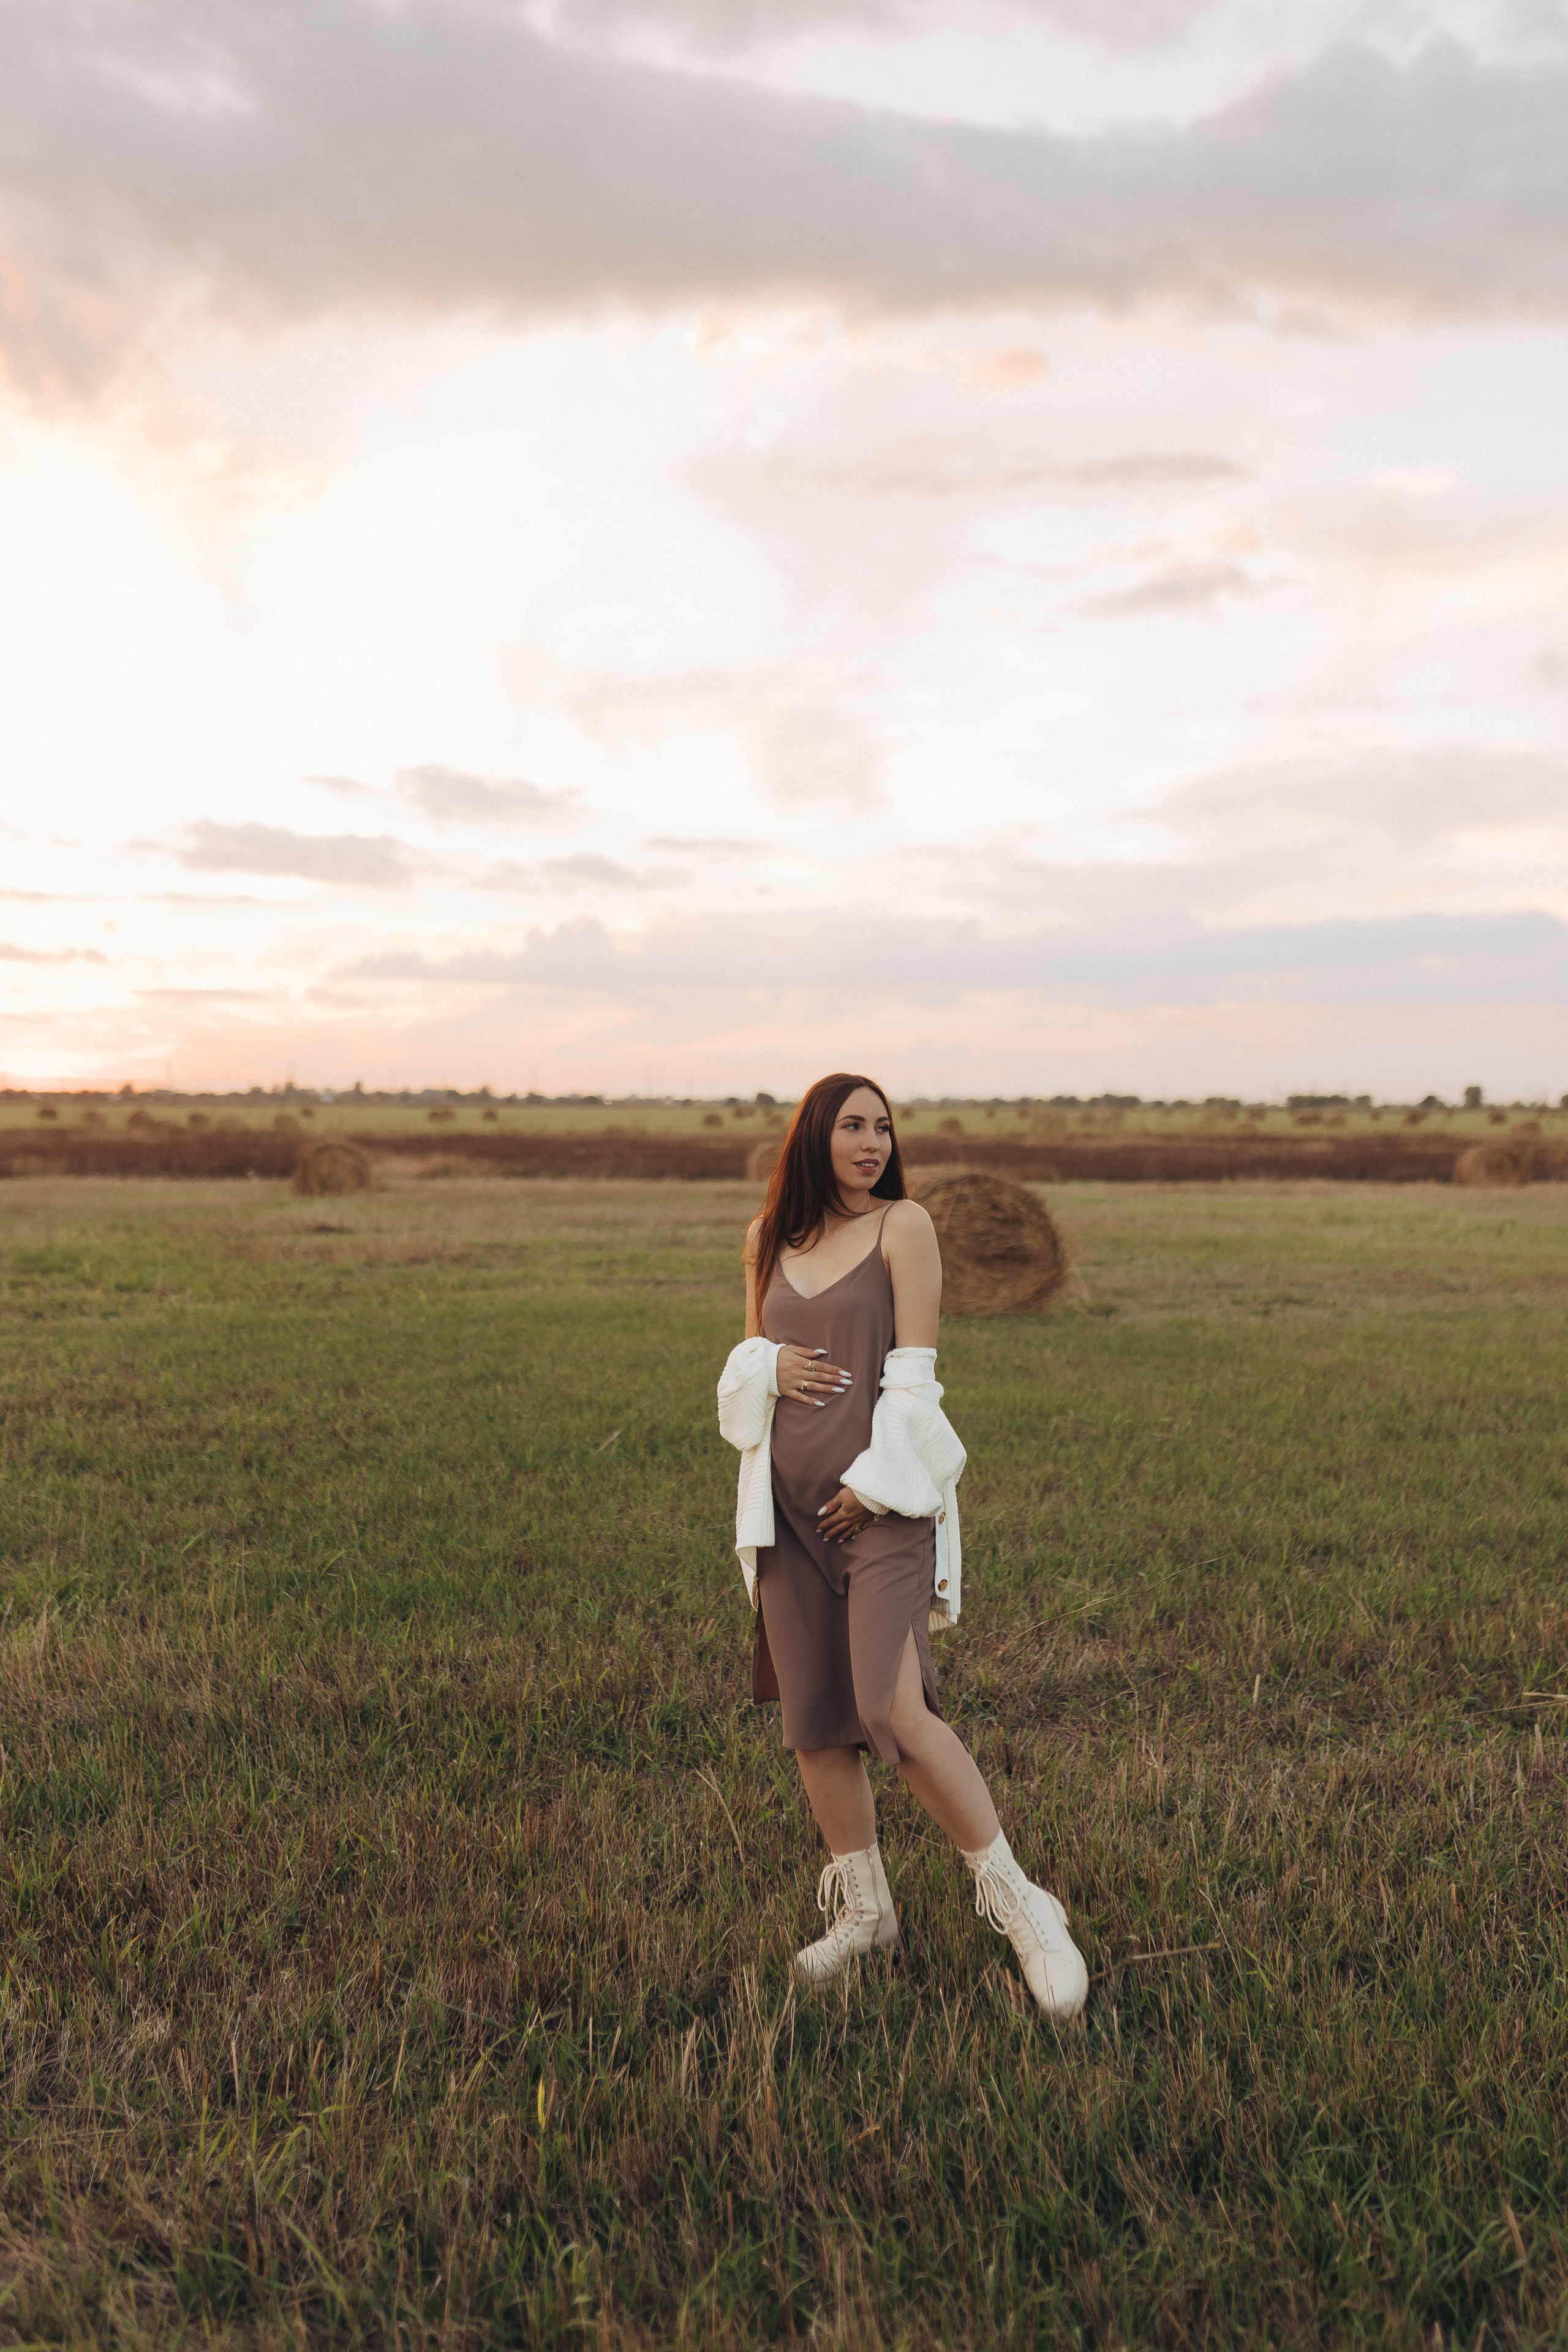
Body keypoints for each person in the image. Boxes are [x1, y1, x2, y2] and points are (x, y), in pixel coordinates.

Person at [717, 1072, 1087, 2021]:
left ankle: (1023, 1906)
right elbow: (737, 1373)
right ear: (813, 1136)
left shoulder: (903, 1228)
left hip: (881, 1509)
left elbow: (915, 1382)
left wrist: (869, 1485)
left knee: (894, 1707)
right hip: (786, 1521)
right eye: (852, 1126)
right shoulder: (765, 1241)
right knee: (815, 1718)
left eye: (883, 1127)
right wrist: (769, 1363)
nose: (873, 1142)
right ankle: (866, 1915)